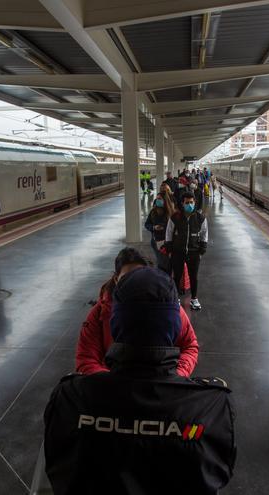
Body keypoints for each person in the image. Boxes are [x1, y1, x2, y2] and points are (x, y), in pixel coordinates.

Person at [44, 267, 235, 495]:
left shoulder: (69, 399)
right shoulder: (212, 407)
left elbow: (58, 469)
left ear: (115, 325)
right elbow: (218, 474)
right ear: (175, 326)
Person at [76, 247, 198, 376]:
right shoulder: (100, 312)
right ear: (116, 279)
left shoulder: (168, 307)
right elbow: (86, 358)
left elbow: (189, 345)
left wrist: (176, 375)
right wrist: (112, 385)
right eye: (127, 278)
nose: (134, 283)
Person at [167, 192, 208, 310]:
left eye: (191, 202)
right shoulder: (175, 217)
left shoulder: (201, 219)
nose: (189, 205)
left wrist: (202, 250)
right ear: (182, 203)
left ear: (195, 202)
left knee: (193, 276)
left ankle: (194, 299)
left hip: (194, 253)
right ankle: (176, 299)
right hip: (177, 252)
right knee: (177, 276)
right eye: (187, 203)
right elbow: (168, 233)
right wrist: (169, 249)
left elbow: (204, 234)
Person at [145, 198, 173, 274]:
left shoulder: (169, 212)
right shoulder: (152, 213)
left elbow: (172, 226)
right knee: (161, 261)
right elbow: (147, 224)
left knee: (167, 262)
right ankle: (163, 278)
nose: (159, 200)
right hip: (156, 241)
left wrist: (163, 227)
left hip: (167, 241)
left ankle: (167, 278)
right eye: (158, 199)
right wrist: (154, 227)